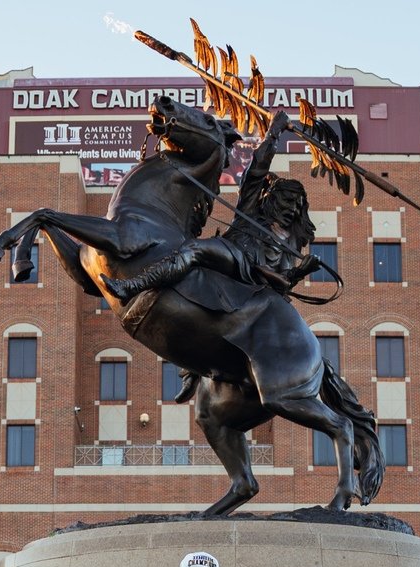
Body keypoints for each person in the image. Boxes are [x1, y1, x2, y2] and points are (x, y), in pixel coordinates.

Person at [103, 109, 323, 402]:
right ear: (274, 198)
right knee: (193, 251)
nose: (292, 207)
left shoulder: (289, 247)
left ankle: (197, 366)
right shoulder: (251, 213)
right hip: (233, 255)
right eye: (288, 198)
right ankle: (132, 286)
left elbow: (280, 286)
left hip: (249, 287)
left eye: (297, 203)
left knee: (220, 318)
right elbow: (256, 169)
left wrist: (299, 272)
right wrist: (274, 133)